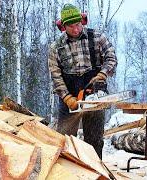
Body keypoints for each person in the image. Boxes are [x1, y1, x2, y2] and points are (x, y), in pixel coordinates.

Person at [48, 3, 117, 159]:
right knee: (65, 140)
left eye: (78, 24)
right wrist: (66, 97)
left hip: (95, 96)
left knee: (94, 140)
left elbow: (111, 57)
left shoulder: (97, 37)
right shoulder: (56, 47)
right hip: (70, 96)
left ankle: (96, 170)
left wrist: (103, 73)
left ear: (82, 21)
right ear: (63, 26)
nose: (76, 29)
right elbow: (55, 75)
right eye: (71, 26)